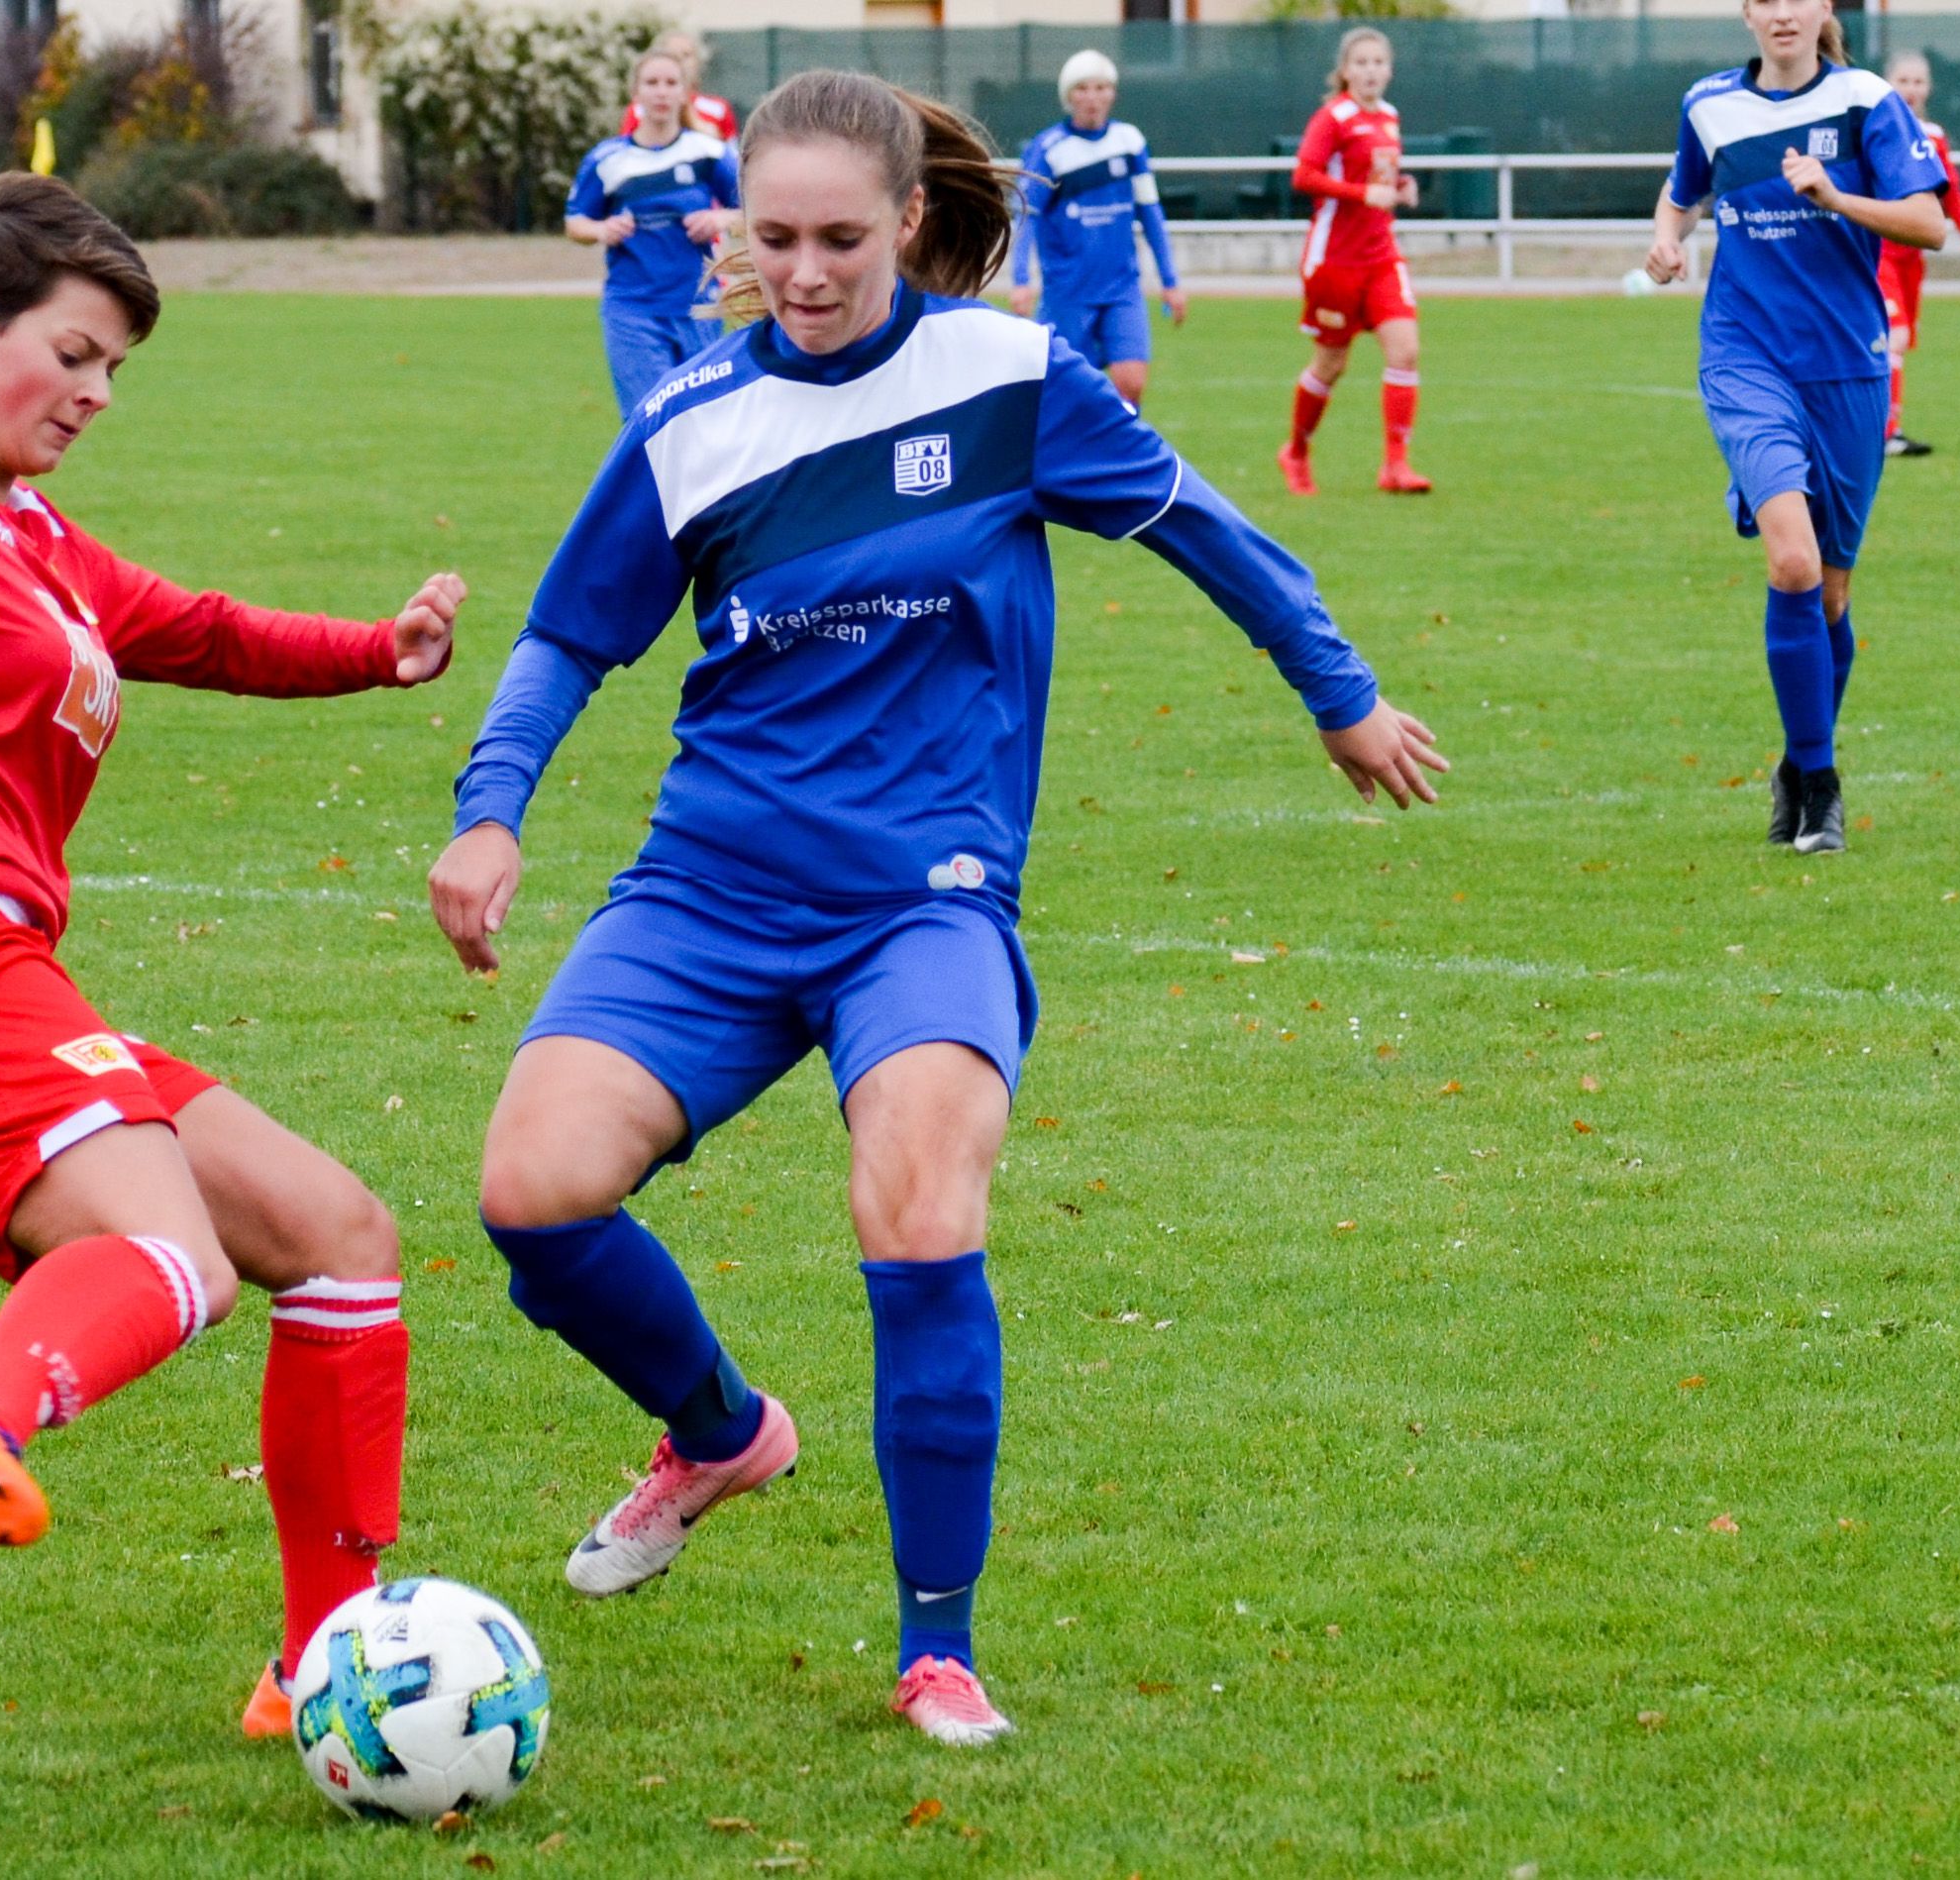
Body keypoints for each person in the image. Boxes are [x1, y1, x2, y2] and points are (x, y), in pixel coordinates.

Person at [430, 70, 1444, 1748]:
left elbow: (1203, 529)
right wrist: (490, 810)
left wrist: (1336, 691)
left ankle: (935, 1644)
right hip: (710, 883)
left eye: (840, 236)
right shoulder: (691, 416)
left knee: (915, 1199)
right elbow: (567, 637)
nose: (807, 271)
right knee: (532, 1193)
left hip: (927, 900)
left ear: (909, 221)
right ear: (733, 232)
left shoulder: (1006, 377)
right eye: (774, 239)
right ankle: (720, 1429)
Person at [0, 174, 467, 1739]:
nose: (99, 392)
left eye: (117, 366)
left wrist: (373, 656)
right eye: (78, 352)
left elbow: (198, 628)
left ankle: (315, 1666)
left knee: (337, 1233)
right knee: (174, 1256)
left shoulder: (30, 536)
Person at [1644, 0, 1945, 854]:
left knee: (1833, 595)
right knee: (1792, 560)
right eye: (1764, 0)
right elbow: (1679, 199)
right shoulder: (1709, 104)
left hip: (1847, 365)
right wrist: (1666, 243)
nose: (1782, 13)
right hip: (1745, 357)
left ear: (1822, 11)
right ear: (1747, 14)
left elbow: (1929, 224)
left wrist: (1835, 193)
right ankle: (1822, 786)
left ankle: (1796, 758)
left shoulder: (1865, 100)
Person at [1279, 28, 1429, 495]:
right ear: (1345, 71)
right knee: (1331, 364)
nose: (1370, 71)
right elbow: (1304, 175)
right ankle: (1296, 452)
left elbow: (1377, 175)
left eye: (1378, 62)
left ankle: (1396, 467)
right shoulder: (1333, 118)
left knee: (1405, 349)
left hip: (1381, 254)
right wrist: (1363, 193)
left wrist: (1401, 186)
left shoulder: (1389, 117)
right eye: (1361, 63)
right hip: (1335, 261)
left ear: (1390, 69)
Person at [1008, 50, 1186, 410]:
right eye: (1083, 89)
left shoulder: (1130, 142)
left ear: (1113, 93)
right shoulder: (1049, 149)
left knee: (1131, 383)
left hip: (1122, 287)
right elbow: (1027, 216)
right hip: (1068, 292)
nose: (1093, 98)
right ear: (1068, 96)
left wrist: (1170, 280)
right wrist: (1020, 278)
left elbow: (1150, 212)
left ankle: (1119, 460)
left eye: (1101, 88)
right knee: (1065, 393)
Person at [568, 47, 742, 415]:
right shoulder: (608, 159)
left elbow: (758, 213)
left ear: (685, 92)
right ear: (636, 94)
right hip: (633, 309)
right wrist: (603, 229)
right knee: (650, 419)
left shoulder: (708, 153)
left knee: (703, 420)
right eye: (652, 83)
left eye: (670, 83)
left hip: (698, 308)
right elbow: (575, 223)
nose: (661, 91)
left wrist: (720, 220)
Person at [1876, 52, 1960, 459]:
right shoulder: (1875, 128)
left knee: (1896, 344)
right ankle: (1886, 432)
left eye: (1918, 81)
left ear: (1928, 88)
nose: (1911, 88)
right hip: (1879, 251)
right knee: (1895, 336)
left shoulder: (1934, 136)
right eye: (1903, 80)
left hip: (1913, 256)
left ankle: (1885, 428)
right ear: (1888, 83)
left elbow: (1951, 194)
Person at [622, 29, 739, 144]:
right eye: (672, 54)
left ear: (698, 61)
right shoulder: (638, 110)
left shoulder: (718, 109)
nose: (680, 60)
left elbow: (733, 154)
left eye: (686, 55)